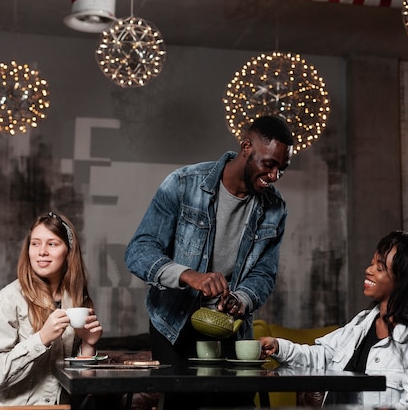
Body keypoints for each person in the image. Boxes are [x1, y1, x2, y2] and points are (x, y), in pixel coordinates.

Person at [124, 115, 294, 408]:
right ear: (246, 148)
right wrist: (190, 275)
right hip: (173, 325)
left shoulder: (275, 208)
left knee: (238, 404)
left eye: (282, 169)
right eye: (269, 164)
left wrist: (240, 299)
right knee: (183, 404)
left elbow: (265, 274)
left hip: (230, 326)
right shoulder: (182, 184)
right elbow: (139, 251)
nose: (275, 176)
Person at [260, 230, 408, 408]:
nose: (368, 270)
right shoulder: (364, 321)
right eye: (372, 263)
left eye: (380, 268)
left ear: (404, 281)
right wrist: (279, 347)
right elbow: (323, 356)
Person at [0, 211, 102, 407]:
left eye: (52, 244)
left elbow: (80, 388)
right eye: (35, 243)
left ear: (68, 251)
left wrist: (88, 345)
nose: (41, 251)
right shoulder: (7, 301)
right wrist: (41, 339)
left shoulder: (78, 301)